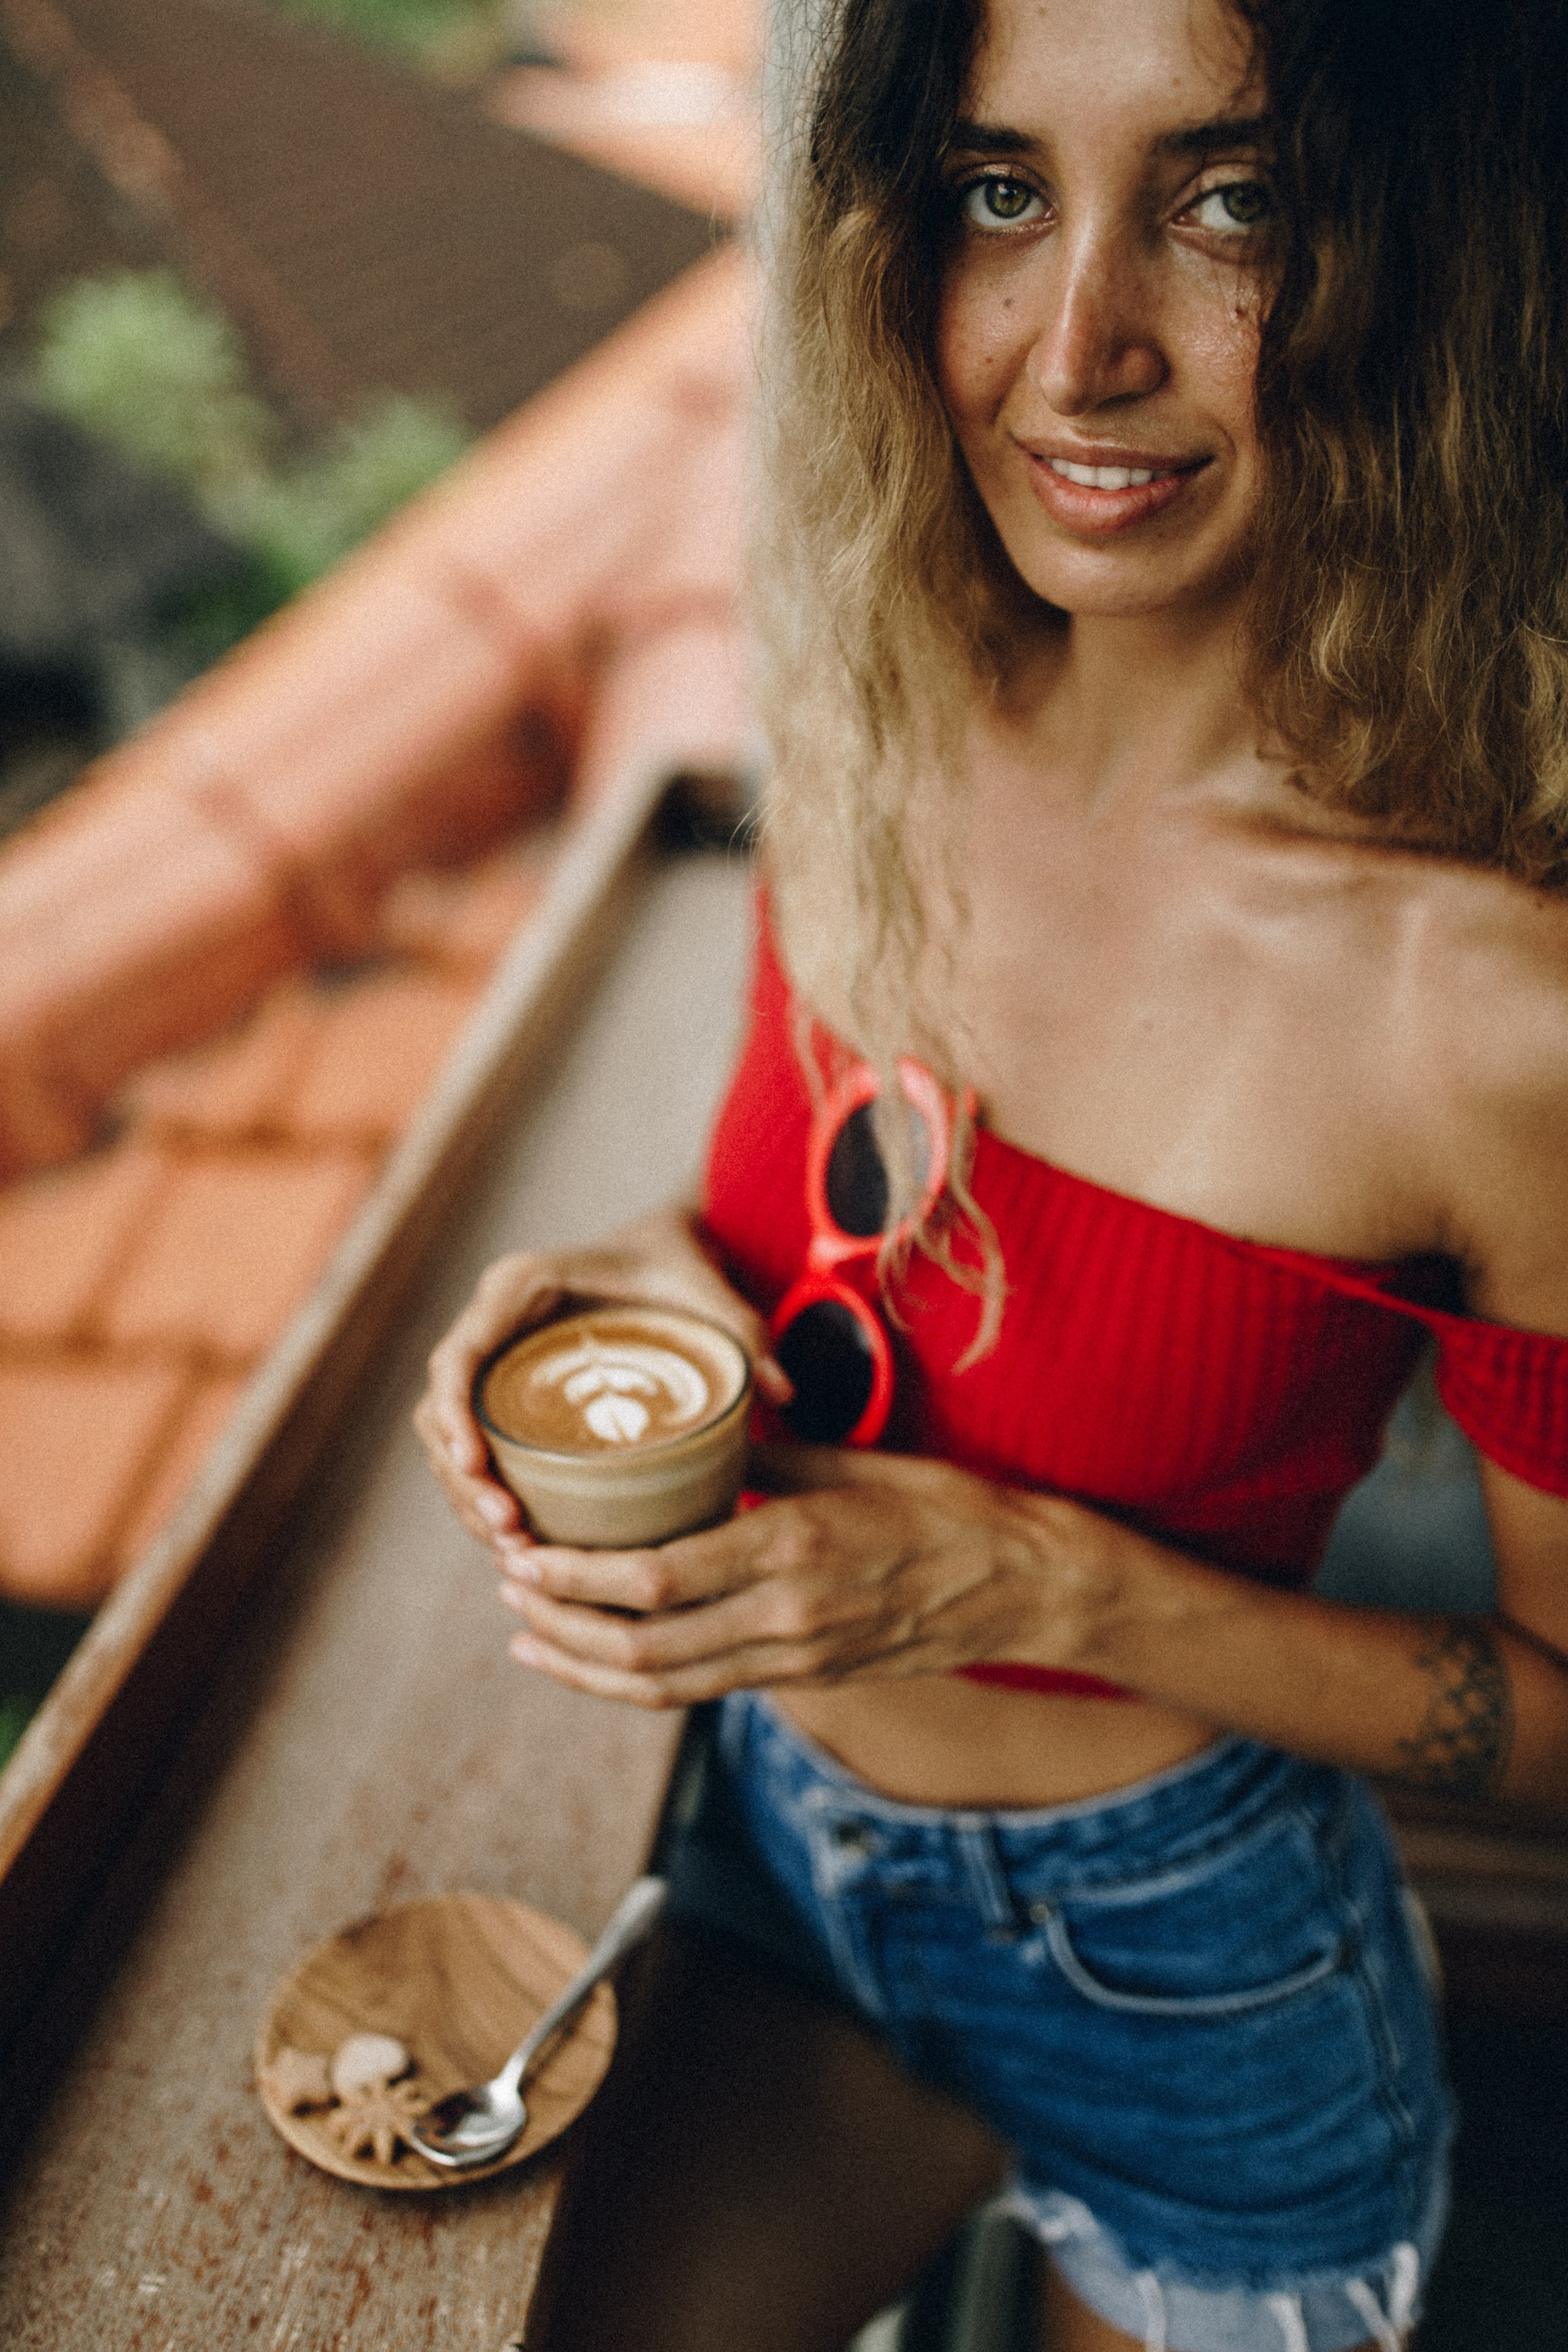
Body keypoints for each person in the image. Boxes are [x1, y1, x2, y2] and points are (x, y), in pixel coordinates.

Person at [417, 0, 1568, 2344]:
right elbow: (819, 1222)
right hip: (764, 1865)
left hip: (1193, 1996)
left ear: (1432, 259)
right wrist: (634, 1271)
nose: (1080, 348)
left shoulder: (1495, 1006)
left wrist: (1040, 1580)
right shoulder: (870, 692)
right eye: (998, 190)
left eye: (1233, 201)